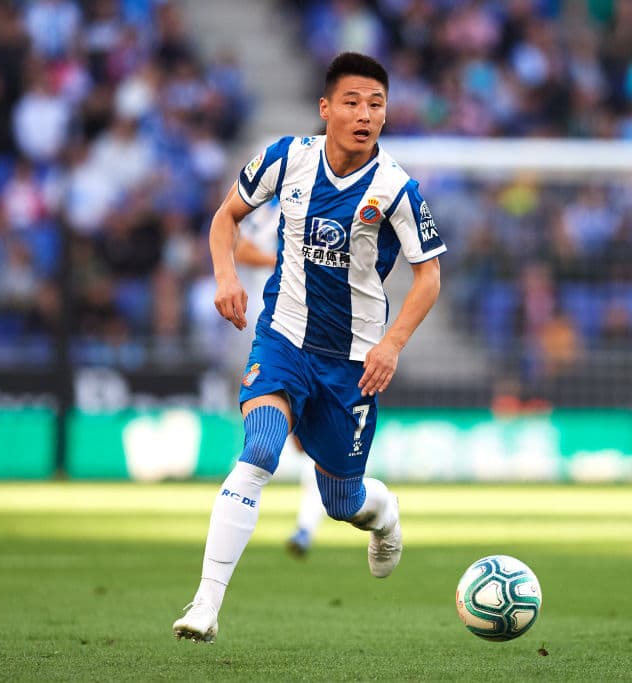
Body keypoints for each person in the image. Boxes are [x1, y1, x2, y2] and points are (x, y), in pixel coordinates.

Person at [172, 52, 446, 643]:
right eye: (352, 102)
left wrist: (393, 344)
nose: (364, 114)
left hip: (352, 363)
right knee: (261, 449)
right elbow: (226, 218)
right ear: (326, 108)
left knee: (342, 501)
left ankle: (385, 515)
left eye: (376, 104)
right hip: (284, 339)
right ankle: (205, 605)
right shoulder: (286, 158)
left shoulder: (396, 188)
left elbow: (429, 276)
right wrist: (225, 276)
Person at [233, 196, 326, 558]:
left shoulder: (341, 203)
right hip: (273, 334)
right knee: (278, 435)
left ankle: (305, 526)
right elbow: (241, 248)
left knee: (310, 440)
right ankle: (240, 512)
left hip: (319, 335)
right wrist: (288, 263)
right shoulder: (278, 204)